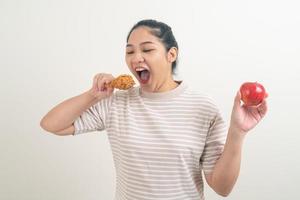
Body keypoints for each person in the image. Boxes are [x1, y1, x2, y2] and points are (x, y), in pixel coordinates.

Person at [40, 19, 268, 200]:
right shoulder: (117, 103)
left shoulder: (203, 108)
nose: (136, 58)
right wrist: (93, 95)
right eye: (130, 52)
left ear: (171, 54)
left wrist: (238, 132)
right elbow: (51, 124)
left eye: (147, 49)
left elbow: (222, 187)